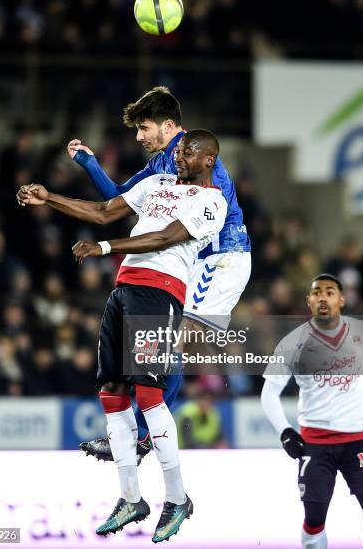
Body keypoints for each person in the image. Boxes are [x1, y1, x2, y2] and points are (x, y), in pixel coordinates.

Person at [17, 130, 227, 542]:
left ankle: (177, 498)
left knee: (149, 396)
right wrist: (50, 198)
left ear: (210, 160)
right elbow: (102, 210)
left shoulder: (212, 202)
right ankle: (131, 497)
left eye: (188, 152)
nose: (179, 157)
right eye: (179, 151)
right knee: (112, 392)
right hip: (124, 290)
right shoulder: (156, 183)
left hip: (160, 292)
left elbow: (166, 237)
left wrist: (104, 247)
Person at [67, 85, 251, 463]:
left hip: (221, 259)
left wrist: (106, 247)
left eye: (144, 127)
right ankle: (140, 435)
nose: (139, 136)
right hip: (190, 262)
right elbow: (118, 200)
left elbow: (198, 212)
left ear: (168, 126)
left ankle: (141, 437)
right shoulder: (161, 164)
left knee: (174, 344)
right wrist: (90, 164)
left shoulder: (195, 158)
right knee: (165, 346)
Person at [261, 274, 363, 549]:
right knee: (314, 521)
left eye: (330, 292)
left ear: (342, 299)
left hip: (359, 442)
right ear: (308, 301)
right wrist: (285, 432)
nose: (323, 297)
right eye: (316, 293)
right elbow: (269, 393)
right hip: (315, 445)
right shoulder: (292, 342)